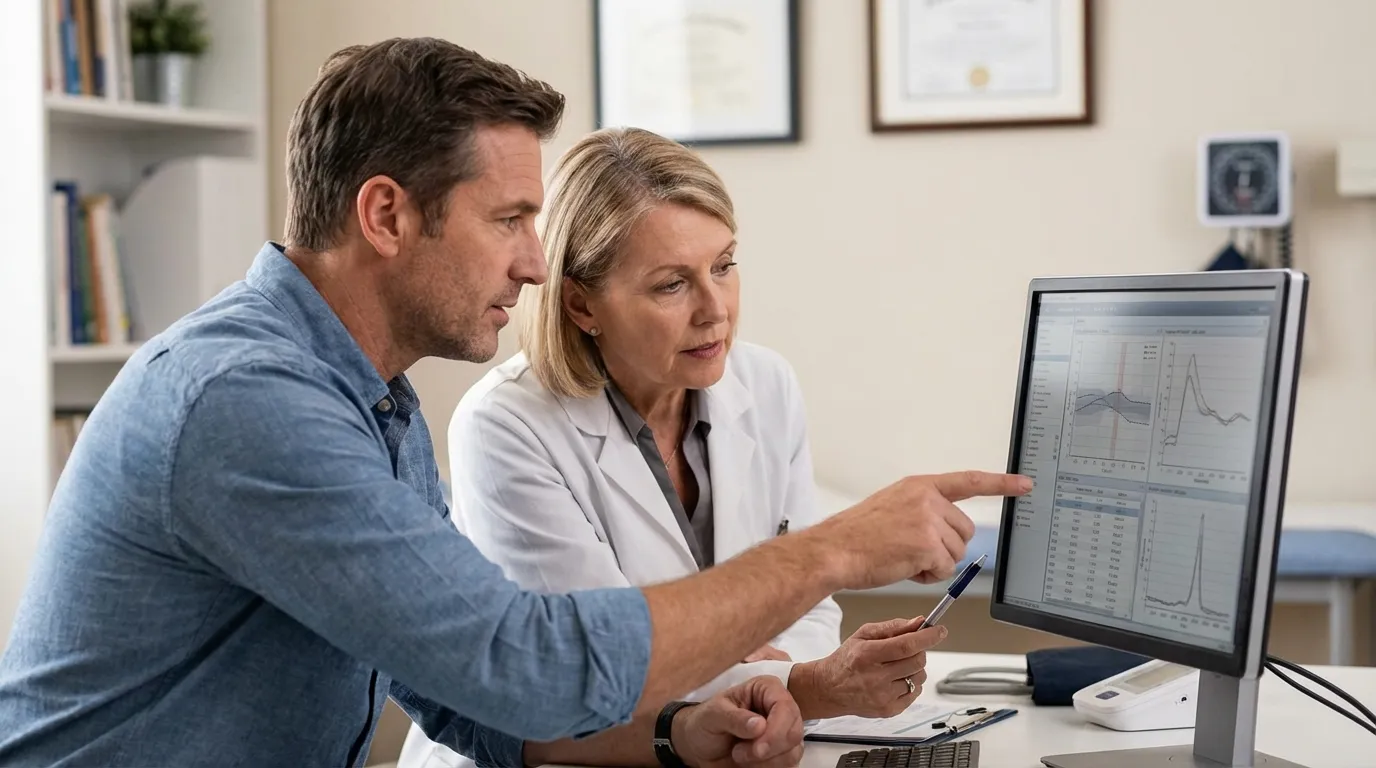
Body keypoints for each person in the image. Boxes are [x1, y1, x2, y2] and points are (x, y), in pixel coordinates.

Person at [0, 38, 1030, 768]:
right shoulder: (248, 402)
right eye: (509, 219)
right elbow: (528, 661)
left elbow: (463, 693)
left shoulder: (370, 400)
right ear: (387, 215)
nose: (537, 265)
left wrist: (672, 736)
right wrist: (832, 549)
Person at [397, 127, 955, 768]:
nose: (715, 309)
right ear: (582, 304)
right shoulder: (505, 426)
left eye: (723, 266)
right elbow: (598, 675)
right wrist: (802, 685)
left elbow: (806, 606)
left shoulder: (765, 385)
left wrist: (773, 679)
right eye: (671, 284)